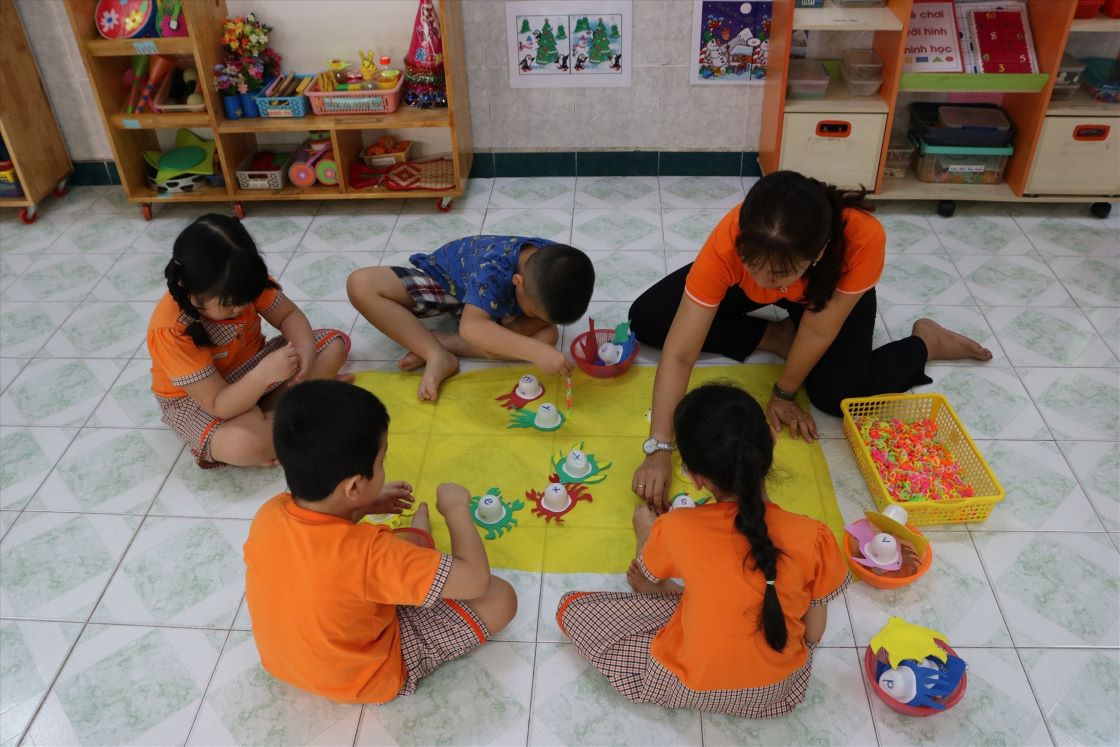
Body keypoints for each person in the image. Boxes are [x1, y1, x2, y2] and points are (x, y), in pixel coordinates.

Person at [630, 171, 991, 508]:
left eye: (779, 273)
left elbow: (820, 328)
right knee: (649, 318)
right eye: (752, 264)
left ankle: (926, 342)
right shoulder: (730, 242)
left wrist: (784, 392)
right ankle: (775, 335)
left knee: (836, 395)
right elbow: (679, 354)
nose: (765, 280)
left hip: (822, 293)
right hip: (774, 279)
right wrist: (659, 447)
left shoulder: (862, 238)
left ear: (816, 253)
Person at [557, 384, 849, 717]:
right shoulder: (816, 537)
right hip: (777, 692)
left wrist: (645, 530)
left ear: (694, 478)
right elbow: (813, 633)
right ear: (771, 438)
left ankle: (672, 597)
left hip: (683, 683)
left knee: (572, 609)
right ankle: (678, 597)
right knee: (729, 599)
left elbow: (646, 566)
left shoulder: (676, 529)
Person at [244, 380, 516, 703]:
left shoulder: (269, 514)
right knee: (501, 597)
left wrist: (362, 507)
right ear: (354, 487)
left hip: (287, 662)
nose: (383, 467)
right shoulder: (370, 554)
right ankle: (419, 541)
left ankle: (418, 544)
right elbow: (475, 581)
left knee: (391, 567)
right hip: (367, 677)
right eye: (381, 461)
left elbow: (321, 547)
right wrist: (456, 509)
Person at [148, 214, 349, 469]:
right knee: (245, 445)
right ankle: (289, 414)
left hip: (253, 366)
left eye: (246, 299)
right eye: (230, 305)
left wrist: (305, 350)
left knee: (332, 346)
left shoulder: (245, 282)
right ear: (186, 285)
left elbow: (288, 315)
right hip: (202, 399)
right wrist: (264, 376)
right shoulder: (171, 331)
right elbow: (218, 404)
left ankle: (273, 417)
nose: (242, 307)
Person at [347, 235, 595, 401]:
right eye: (533, 312)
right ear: (518, 283)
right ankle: (436, 353)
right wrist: (537, 353)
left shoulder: (555, 267)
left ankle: (447, 342)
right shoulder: (493, 268)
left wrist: (536, 337)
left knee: (548, 335)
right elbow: (471, 327)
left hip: (495, 307)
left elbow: (543, 322)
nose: (535, 318)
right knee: (360, 284)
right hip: (449, 286)